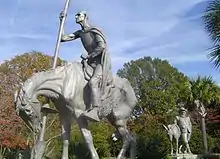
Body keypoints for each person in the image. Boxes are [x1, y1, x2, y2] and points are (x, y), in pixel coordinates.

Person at [59, 11, 112, 121]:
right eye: (76, 15)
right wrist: (61, 22)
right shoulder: (80, 33)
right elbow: (63, 38)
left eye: (79, 15)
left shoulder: (94, 30)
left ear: (85, 17)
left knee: (93, 82)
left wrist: (89, 56)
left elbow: (101, 46)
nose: (76, 17)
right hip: (89, 63)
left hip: (99, 63)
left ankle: (95, 110)